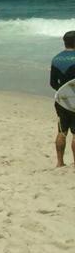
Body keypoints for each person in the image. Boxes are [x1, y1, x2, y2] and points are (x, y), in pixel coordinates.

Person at [50, 31, 75, 167]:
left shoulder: (56, 59)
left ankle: (60, 163)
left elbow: (53, 83)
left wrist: (64, 95)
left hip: (61, 101)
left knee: (61, 131)